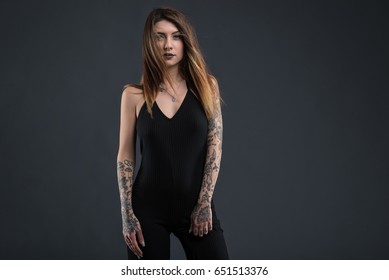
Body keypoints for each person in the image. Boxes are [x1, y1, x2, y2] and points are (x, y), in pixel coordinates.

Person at [116, 7, 229, 260]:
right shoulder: (133, 96)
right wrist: (127, 216)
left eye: (176, 36)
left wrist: (204, 203)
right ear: (150, 42)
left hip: (196, 207)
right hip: (147, 212)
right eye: (160, 36)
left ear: (185, 41)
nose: (168, 44)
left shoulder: (206, 87)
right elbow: (125, 156)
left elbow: (215, 146)